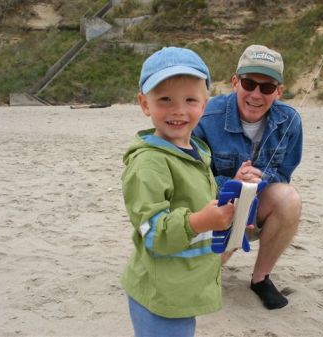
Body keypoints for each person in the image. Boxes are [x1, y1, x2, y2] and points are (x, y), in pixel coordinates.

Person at [121, 47, 235, 337]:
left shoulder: (196, 150)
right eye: (164, 100)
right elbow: (154, 232)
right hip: (160, 293)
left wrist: (231, 215)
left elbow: (198, 202)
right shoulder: (148, 162)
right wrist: (201, 221)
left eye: (190, 99)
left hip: (183, 285)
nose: (178, 110)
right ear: (144, 104)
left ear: (204, 104)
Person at [193, 44, 303, 310]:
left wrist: (259, 180)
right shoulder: (207, 116)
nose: (256, 94)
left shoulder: (290, 121)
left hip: (257, 210)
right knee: (195, 280)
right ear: (235, 82)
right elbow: (193, 179)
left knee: (290, 198)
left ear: (279, 91)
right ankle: (204, 269)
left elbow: (284, 174)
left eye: (267, 87)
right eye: (249, 83)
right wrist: (234, 184)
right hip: (211, 207)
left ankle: (260, 278)